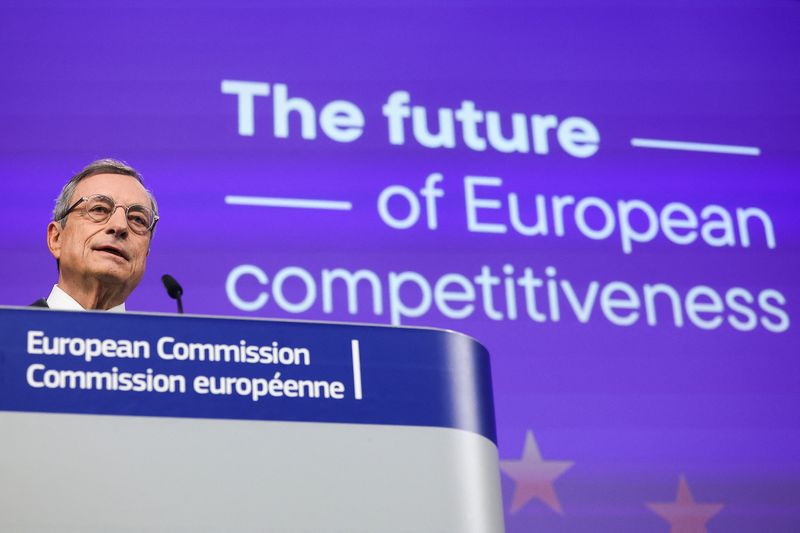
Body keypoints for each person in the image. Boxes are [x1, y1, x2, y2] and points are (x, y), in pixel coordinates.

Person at [32, 159, 159, 311]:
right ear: (57, 239)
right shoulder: (8, 332)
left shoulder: (170, 335)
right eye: (99, 209)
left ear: (145, 255)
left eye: (138, 219)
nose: (119, 226)